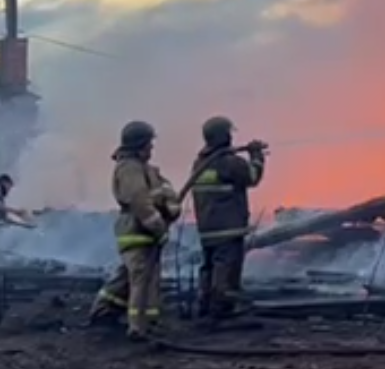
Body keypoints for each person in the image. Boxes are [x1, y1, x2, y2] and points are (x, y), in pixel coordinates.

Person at [89, 121, 178, 338]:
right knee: (141, 279)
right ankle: (137, 327)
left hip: (146, 233)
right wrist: (158, 226)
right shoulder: (129, 168)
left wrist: (171, 207)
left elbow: (168, 192)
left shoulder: (148, 170)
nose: (151, 149)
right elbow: (139, 201)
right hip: (136, 231)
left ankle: (137, 318)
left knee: (143, 277)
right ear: (140, 144)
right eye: (149, 144)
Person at [189, 116, 266, 322]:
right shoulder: (229, 162)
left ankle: (204, 306)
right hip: (228, 228)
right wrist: (256, 155)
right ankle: (221, 310)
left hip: (207, 228)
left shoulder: (200, 163)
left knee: (208, 268)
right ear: (223, 136)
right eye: (229, 133)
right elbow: (252, 176)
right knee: (227, 270)